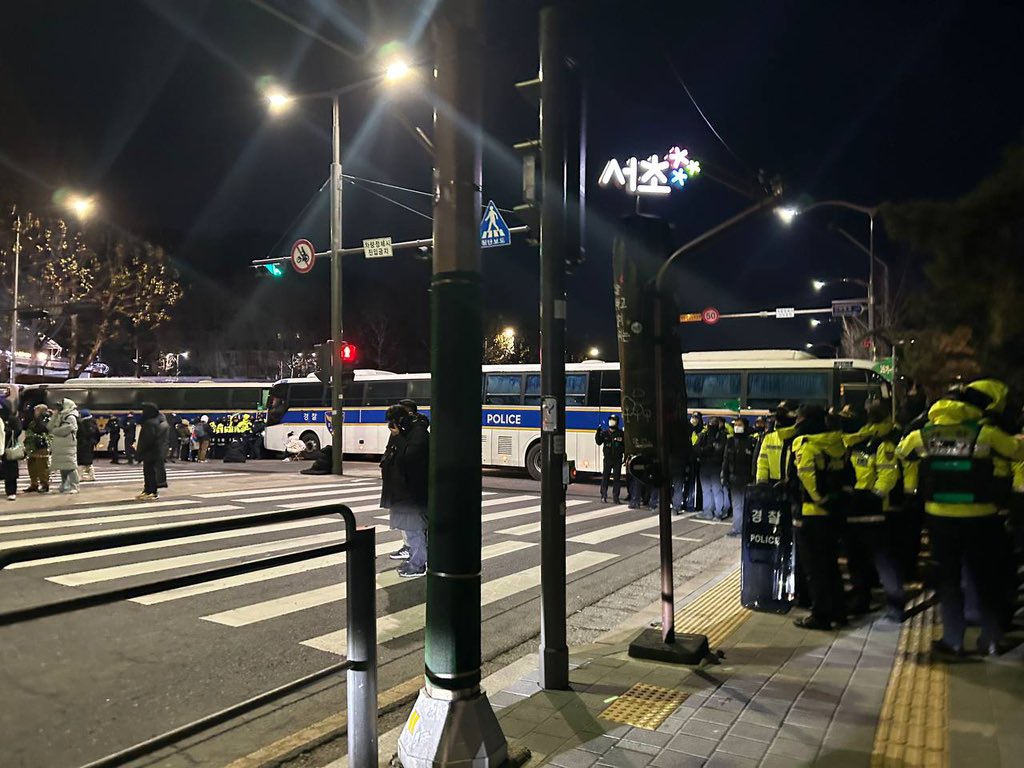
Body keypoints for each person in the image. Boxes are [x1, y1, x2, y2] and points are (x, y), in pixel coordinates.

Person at [841, 401, 905, 620]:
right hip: (853, 510)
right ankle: (861, 600)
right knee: (856, 560)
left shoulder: (882, 444)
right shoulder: (852, 442)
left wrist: (872, 496)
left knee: (882, 559)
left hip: (873, 512)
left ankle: (896, 605)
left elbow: (888, 476)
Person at [791, 405, 851, 630]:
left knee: (814, 569)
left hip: (812, 514)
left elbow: (807, 476)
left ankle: (821, 615)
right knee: (831, 564)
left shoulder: (806, 444)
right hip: (834, 513)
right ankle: (839, 612)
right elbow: (847, 474)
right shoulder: (837, 443)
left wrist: (818, 498)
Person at [380, 401, 429, 578]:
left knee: (414, 528)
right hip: (404, 490)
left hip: (412, 491)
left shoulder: (417, 433)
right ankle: (417, 560)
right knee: (412, 528)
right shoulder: (407, 432)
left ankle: (418, 564)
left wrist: (398, 437)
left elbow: (410, 458)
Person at [723, 417, 756, 536]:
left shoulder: (751, 441)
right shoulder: (730, 441)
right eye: (735, 425)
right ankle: (737, 529)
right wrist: (724, 476)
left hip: (747, 478)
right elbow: (726, 460)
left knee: (746, 505)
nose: (737, 427)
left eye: (739, 425)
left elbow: (754, 461)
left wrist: (754, 477)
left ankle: (745, 530)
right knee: (737, 505)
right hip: (734, 478)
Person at [696, 416, 728, 519]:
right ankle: (708, 511)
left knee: (716, 490)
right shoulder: (704, 435)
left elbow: (720, 450)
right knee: (708, 490)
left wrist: (705, 450)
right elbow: (696, 449)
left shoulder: (722, 436)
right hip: (706, 465)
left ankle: (718, 512)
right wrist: (708, 449)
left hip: (715, 466)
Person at [135, 402, 169, 500]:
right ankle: (149, 491)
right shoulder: (161, 420)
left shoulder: (150, 423)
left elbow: (147, 440)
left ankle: (151, 491)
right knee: (152, 472)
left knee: (149, 472)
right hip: (157, 451)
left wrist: (139, 452)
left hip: (151, 451)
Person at [48, 398, 80, 494]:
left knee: (70, 466)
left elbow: (65, 430)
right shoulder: (60, 415)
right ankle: (64, 484)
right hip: (60, 446)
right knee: (63, 466)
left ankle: (75, 485)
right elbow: (49, 426)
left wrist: (54, 431)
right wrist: (55, 414)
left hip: (68, 445)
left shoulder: (71, 417)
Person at [595, 416, 625, 504]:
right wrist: (598, 432)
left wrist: (624, 455)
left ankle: (616, 497)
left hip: (617, 459)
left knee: (617, 479)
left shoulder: (620, 433)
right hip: (608, 459)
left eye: (614, 421)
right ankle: (603, 496)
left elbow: (624, 446)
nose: (612, 422)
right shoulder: (605, 433)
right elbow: (599, 442)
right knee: (605, 477)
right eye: (611, 420)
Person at [24, 404, 51, 493]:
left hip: (41, 444)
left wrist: (39, 417)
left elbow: (41, 428)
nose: (34, 412)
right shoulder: (33, 420)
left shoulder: (47, 419)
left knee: (42, 466)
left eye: (36, 410)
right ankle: (34, 483)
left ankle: (44, 484)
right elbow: (25, 426)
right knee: (31, 465)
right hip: (31, 445)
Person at [0, 399, 23, 500]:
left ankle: (11, 491)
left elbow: (18, 430)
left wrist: (7, 433)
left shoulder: (12, 419)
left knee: (10, 471)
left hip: (8, 447)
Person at [76, 408, 100, 482]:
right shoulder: (92, 422)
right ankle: (91, 475)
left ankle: (80, 476)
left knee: (81, 461)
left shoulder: (84, 423)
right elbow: (97, 434)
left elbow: (82, 434)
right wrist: (95, 442)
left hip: (84, 444)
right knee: (88, 461)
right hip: (89, 443)